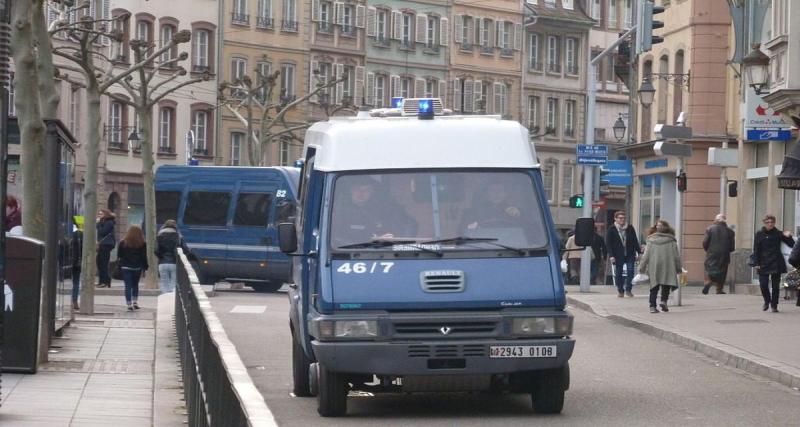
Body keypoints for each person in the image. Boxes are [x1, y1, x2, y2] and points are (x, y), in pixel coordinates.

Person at [331, 176, 414, 246]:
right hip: (348, 253)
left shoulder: (383, 211)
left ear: (372, 192)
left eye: (366, 190)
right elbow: (335, 239)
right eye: (357, 189)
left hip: (378, 253)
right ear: (351, 191)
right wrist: (372, 240)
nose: (361, 193)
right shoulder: (338, 211)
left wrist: (389, 237)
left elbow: (405, 228)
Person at [752, 214, 795, 312]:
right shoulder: (759, 234)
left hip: (776, 262)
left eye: (772, 222)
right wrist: (756, 263)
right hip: (763, 262)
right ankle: (767, 301)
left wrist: (789, 236)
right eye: (768, 222)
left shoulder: (778, 233)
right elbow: (756, 249)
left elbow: (792, 244)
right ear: (764, 223)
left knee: (775, 286)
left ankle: (774, 305)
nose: (770, 224)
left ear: (774, 223)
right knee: (763, 284)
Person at [638, 219, 682, 313]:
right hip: (668, 266)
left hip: (654, 266)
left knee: (654, 286)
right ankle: (663, 301)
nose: (658, 227)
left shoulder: (651, 240)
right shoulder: (671, 241)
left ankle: (652, 306)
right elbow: (676, 256)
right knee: (666, 285)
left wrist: (641, 268)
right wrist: (678, 268)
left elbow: (646, 256)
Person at [605, 211, 642, 298]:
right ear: (616, 219)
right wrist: (611, 256)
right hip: (618, 254)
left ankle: (628, 289)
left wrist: (639, 252)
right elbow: (608, 243)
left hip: (629, 253)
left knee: (630, 271)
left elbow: (635, 240)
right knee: (619, 273)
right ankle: (620, 290)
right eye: (620, 218)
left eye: (624, 218)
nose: (622, 220)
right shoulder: (612, 229)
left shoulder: (630, 228)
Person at [155, 219, 193, 293]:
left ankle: (165, 300)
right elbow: (185, 249)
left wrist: (161, 257)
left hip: (162, 263)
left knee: (164, 284)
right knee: (173, 284)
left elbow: (156, 250)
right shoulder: (178, 236)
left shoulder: (159, 236)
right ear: (175, 226)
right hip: (174, 263)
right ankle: (172, 301)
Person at [702, 213, 735, 295]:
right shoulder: (730, 231)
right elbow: (732, 246)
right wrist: (728, 250)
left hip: (712, 253)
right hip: (724, 254)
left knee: (709, 268)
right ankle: (719, 289)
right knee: (723, 271)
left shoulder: (710, 229)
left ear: (716, 220)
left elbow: (705, 242)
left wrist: (708, 250)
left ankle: (708, 281)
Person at [117, 225, 148, 311]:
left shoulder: (123, 243)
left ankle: (129, 304)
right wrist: (145, 266)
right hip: (137, 267)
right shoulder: (142, 243)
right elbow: (143, 256)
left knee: (128, 285)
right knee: (135, 285)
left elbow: (119, 255)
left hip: (125, 267)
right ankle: (135, 302)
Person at [95, 209, 116, 288]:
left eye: (101, 214)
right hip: (102, 244)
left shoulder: (109, 222)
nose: (99, 215)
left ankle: (105, 281)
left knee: (103, 262)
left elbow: (102, 232)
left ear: (106, 214)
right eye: (99, 214)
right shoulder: (104, 222)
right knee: (99, 262)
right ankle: (102, 280)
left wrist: (98, 224)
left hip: (106, 244)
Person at [72, 225, 83, 310]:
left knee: (75, 282)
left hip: (68, 262)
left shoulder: (72, 235)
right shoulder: (80, 235)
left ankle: (74, 301)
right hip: (76, 262)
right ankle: (74, 301)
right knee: (76, 282)